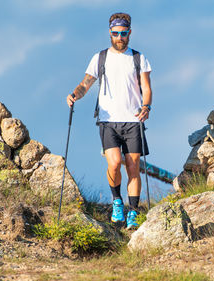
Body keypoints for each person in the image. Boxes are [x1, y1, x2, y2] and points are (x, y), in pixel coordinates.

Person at [67, 12, 152, 229]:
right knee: (114, 164)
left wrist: (146, 106)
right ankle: (117, 202)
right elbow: (85, 84)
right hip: (108, 121)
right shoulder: (100, 58)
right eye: (116, 33)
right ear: (110, 33)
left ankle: (133, 211)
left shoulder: (139, 58)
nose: (120, 37)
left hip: (133, 121)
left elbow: (147, 88)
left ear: (130, 33)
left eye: (124, 33)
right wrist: (74, 94)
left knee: (133, 168)